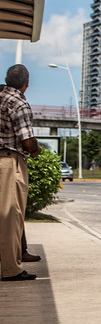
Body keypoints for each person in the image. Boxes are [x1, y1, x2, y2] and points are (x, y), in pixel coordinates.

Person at [1, 64, 41, 281]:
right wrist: (36, 150)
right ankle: (10, 269)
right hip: (9, 162)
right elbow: (27, 140)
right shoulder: (18, 102)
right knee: (10, 216)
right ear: (27, 84)